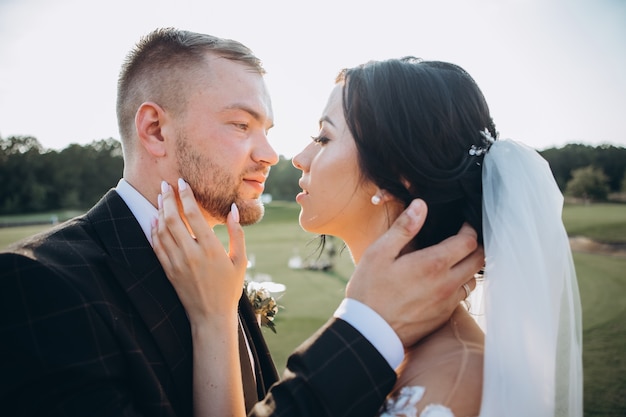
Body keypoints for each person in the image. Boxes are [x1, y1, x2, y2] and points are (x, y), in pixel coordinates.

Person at [0, 28, 483, 417]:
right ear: (155, 130)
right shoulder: (38, 287)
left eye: (268, 130)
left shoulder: (216, 273)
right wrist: (365, 326)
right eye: (240, 125)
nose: (273, 155)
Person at [155, 57, 583, 416]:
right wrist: (213, 318)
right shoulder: (395, 343)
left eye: (323, 137)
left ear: (395, 178)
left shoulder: (452, 385)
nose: (300, 158)